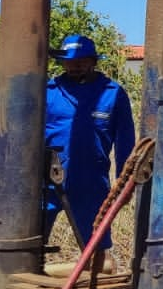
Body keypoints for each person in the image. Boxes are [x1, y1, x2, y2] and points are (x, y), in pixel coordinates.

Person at [43, 33, 135, 251]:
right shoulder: (48, 92)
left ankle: (95, 278)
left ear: (93, 62)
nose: (74, 67)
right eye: (69, 62)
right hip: (46, 179)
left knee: (95, 245)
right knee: (30, 240)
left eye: (81, 62)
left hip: (90, 180)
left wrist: (125, 183)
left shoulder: (112, 94)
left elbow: (125, 141)